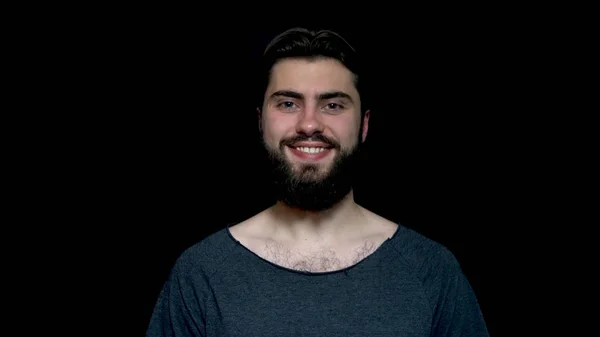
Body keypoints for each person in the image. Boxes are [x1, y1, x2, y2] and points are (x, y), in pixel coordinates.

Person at [147, 27, 490, 336]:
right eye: (287, 102)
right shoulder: (201, 274)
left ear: (364, 125)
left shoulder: (430, 271)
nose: (309, 124)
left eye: (333, 105)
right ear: (260, 121)